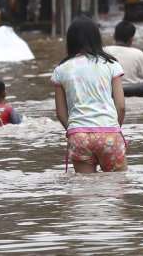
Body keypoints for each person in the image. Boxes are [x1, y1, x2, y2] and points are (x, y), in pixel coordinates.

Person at [52, 17, 127, 173]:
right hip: (109, 133)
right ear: (96, 38)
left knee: (85, 192)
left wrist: (74, 130)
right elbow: (120, 106)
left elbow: (60, 113)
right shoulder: (111, 64)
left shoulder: (61, 69)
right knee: (117, 189)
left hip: (78, 135)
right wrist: (114, 129)